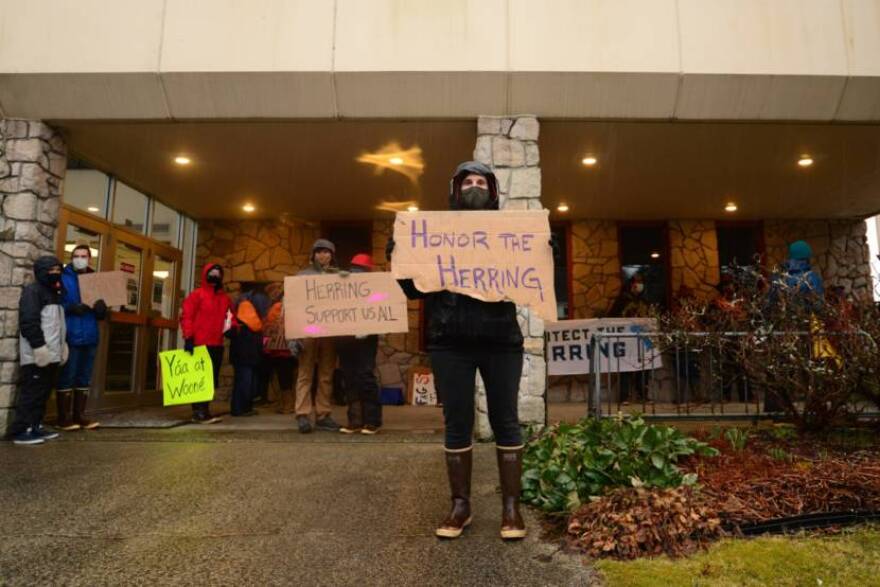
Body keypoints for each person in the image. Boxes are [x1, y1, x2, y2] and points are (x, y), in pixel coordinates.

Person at [387, 161, 534, 541]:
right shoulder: (436, 235)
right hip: (450, 342)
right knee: (456, 422)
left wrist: (541, 253)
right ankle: (460, 505)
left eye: (480, 181)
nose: (473, 186)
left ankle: (511, 507)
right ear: (455, 190)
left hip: (501, 341)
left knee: (507, 420)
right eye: (467, 181)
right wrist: (400, 258)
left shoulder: (508, 235)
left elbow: (530, 281)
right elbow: (414, 290)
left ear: (492, 190)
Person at [8, 256, 67, 445]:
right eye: (51, 270)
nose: (55, 274)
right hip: (37, 354)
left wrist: (61, 346)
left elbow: (57, 324)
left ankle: (36, 425)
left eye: (58, 270)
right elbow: (29, 321)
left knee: (43, 392)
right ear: (41, 271)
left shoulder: (55, 293)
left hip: (52, 353)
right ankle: (22, 429)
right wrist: (39, 347)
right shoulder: (33, 292)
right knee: (32, 392)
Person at [56, 244, 106, 431]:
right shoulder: (63, 278)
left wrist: (102, 309)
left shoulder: (94, 279)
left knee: (84, 376)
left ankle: (80, 415)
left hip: (90, 334)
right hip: (71, 333)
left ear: (89, 259)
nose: (79, 258)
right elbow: (57, 302)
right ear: (72, 257)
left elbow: (102, 306)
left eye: (83, 256)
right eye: (76, 255)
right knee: (67, 375)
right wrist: (71, 308)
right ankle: (64, 417)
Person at [293, 239, 341, 434]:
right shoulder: (302, 276)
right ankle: (302, 414)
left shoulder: (340, 277)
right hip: (307, 331)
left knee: (326, 374)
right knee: (305, 373)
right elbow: (293, 306)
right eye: (319, 252)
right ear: (313, 255)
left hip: (329, 332)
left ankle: (323, 414)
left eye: (327, 252)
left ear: (332, 255)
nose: (323, 255)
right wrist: (293, 336)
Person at [336, 253, 382, 435]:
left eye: (361, 270)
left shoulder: (376, 289)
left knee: (364, 376)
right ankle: (355, 420)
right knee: (349, 377)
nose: (357, 273)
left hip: (366, 338)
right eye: (355, 270)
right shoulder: (340, 287)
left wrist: (369, 326)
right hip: (345, 338)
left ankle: (372, 421)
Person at [180, 263, 231, 424]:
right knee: (198, 379)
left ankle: (204, 409)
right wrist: (188, 337)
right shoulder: (197, 295)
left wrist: (232, 329)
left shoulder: (224, 299)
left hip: (216, 343)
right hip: (199, 343)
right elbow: (186, 317)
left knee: (211, 379)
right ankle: (198, 411)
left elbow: (230, 318)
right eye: (212, 272)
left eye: (218, 273)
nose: (215, 276)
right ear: (205, 274)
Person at [609, 273, 654, 405]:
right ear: (630, 284)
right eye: (636, 282)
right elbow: (611, 317)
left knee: (644, 368)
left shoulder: (645, 301)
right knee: (625, 369)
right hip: (627, 340)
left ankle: (643, 395)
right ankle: (624, 397)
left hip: (643, 341)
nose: (638, 285)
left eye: (640, 282)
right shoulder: (622, 300)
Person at [227, 288, 265, 417]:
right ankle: (240, 409)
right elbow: (256, 326)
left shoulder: (239, 311)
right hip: (247, 354)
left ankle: (243, 408)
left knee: (243, 381)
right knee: (246, 381)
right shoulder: (247, 308)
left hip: (242, 354)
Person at [262, 282, 298, 414]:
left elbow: (270, 323)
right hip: (291, 348)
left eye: (274, 291)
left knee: (284, 377)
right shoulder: (291, 305)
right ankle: (290, 403)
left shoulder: (277, 306)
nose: (273, 294)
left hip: (281, 349)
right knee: (290, 377)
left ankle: (287, 405)